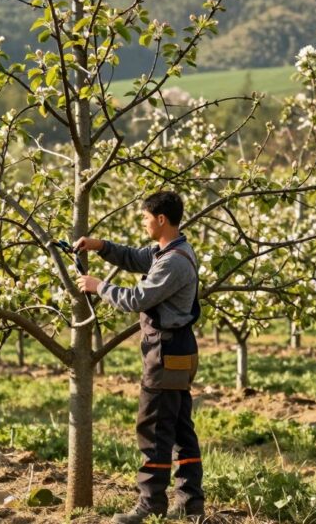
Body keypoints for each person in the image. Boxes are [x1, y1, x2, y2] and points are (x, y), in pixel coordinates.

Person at [74, 190, 204, 523]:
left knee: (155, 426)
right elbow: (134, 258)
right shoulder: (169, 251)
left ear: (161, 220)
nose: (143, 223)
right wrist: (100, 246)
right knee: (178, 428)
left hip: (167, 352)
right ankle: (191, 504)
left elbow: (136, 299)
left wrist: (98, 287)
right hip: (176, 349)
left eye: (146, 218)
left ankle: (151, 503)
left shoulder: (173, 262)